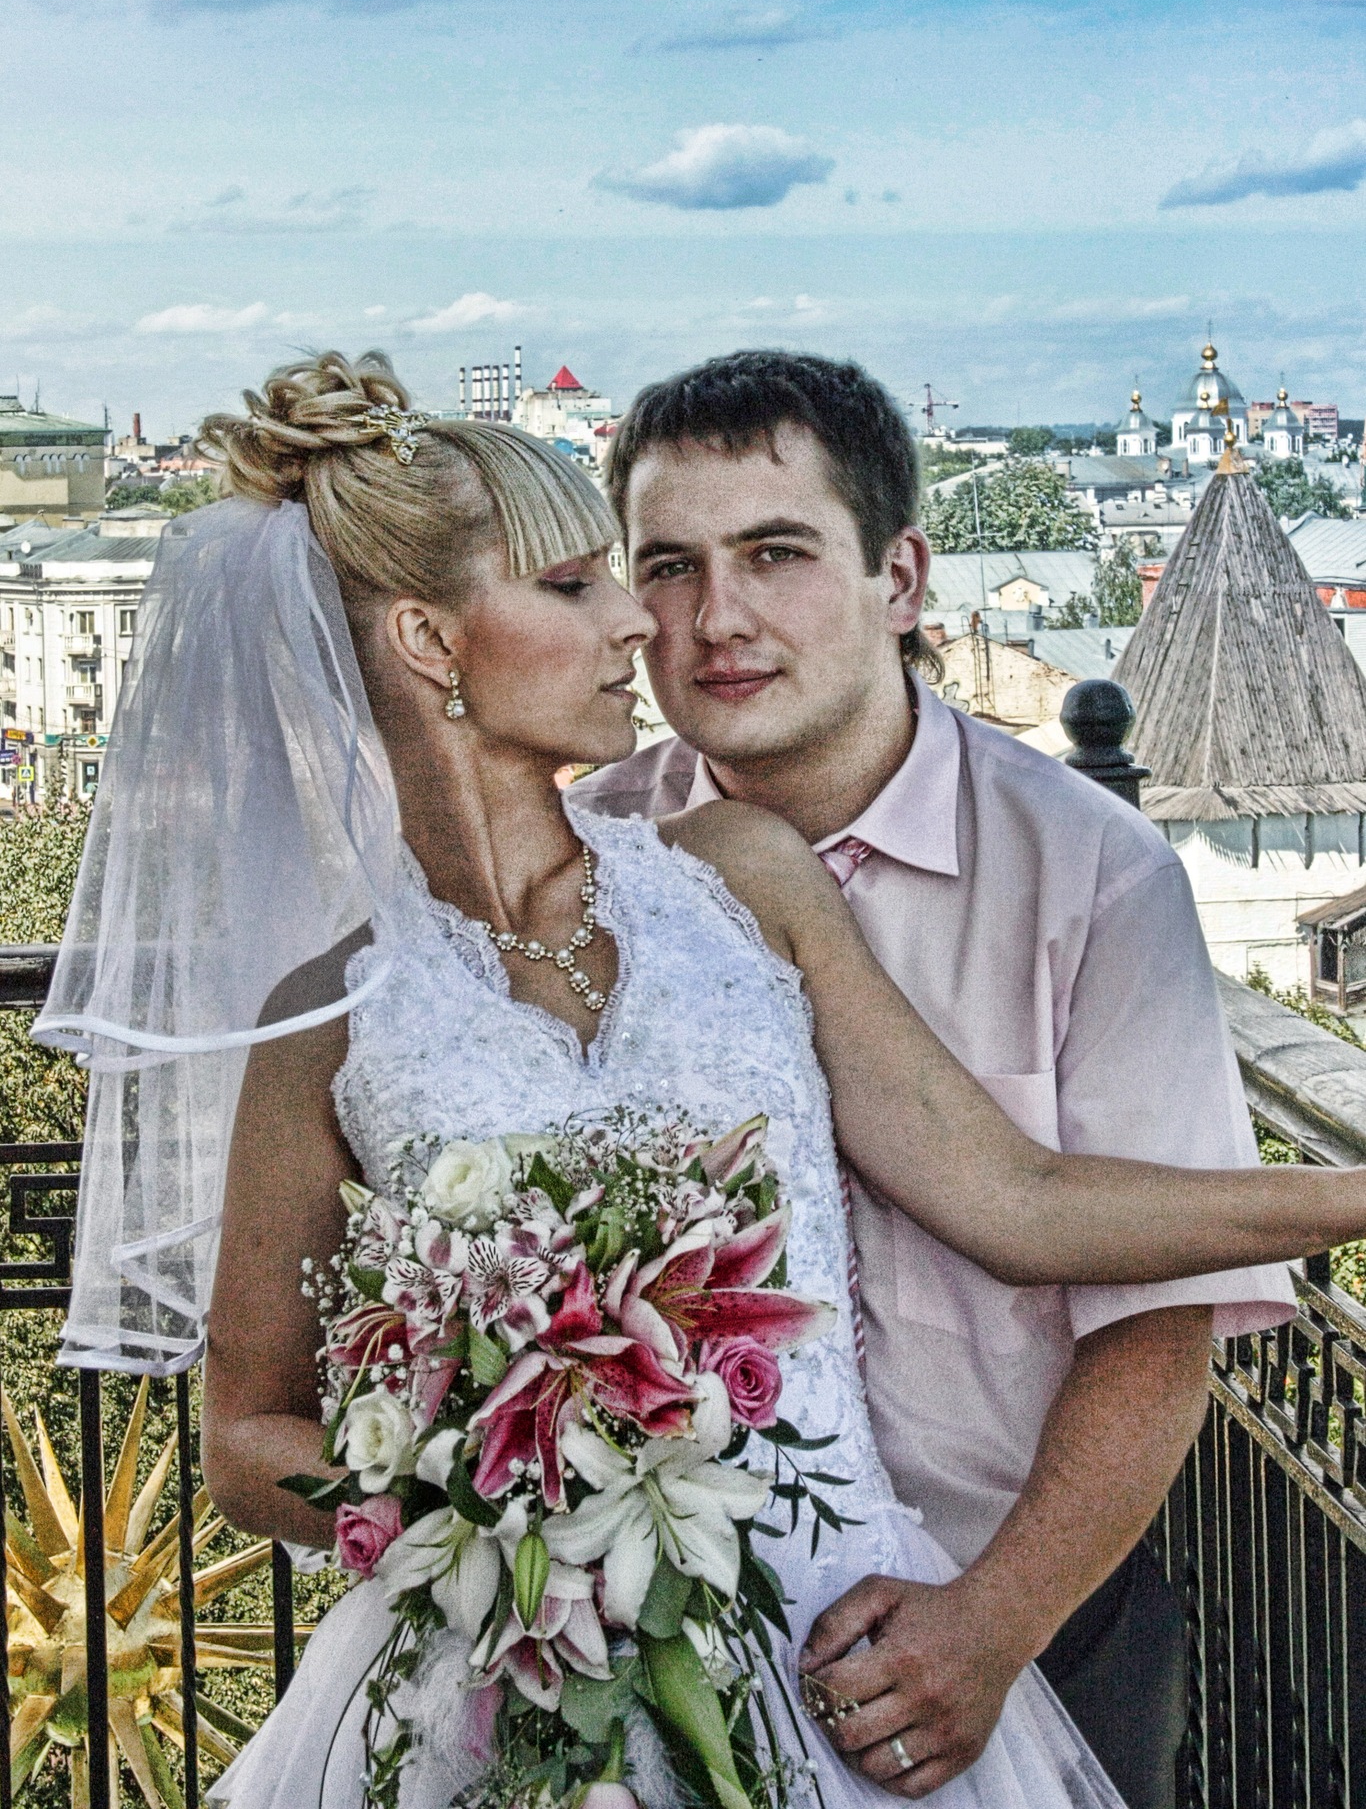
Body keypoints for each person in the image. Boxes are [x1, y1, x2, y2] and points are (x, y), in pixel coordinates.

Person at [37, 355, 1366, 1809]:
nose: (645, 622)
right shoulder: (324, 1013)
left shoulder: (737, 873)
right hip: (511, 1676)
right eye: (582, 584)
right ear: (427, 642)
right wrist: (501, 1507)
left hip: (852, 1634)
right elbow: (246, 1440)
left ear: (900, 575)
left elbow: (1019, 1201)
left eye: (649, 575)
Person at [570, 348, 1297, 1809]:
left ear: (898, 577)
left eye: (777, 554)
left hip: (1030, 1618)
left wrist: (995, 1621)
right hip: (658, 1644)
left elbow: (1158, 1317)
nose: (717, 618)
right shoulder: (579, 863)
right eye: (670, 566)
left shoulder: (1091, 874)